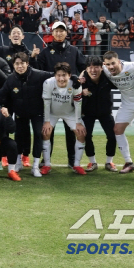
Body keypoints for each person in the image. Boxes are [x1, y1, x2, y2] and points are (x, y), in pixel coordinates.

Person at [35, 21, 85, 167]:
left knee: (71, 132)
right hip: (52, 98)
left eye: (62, 30)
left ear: (66, 33)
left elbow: (84, 68)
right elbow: (38, 72)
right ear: (52, 32)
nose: (59, 33)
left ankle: (72, 159)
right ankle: (46, 160)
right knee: (48, 130)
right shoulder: (45, 52)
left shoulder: (74, 50)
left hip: (69, 98)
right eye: (56, 30)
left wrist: (78, 79)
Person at [0, 52, 51, 171]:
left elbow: (55, 75)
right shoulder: (10, 79)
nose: (20, 66)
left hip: (37, 112)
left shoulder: (39, 74)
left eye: (22, 63)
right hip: (20, 113)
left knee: (38, 134)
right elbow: (0, 95)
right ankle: (18, 162)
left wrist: (73, 77)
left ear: (27, 63)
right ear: (13, 65)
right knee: (19, 136)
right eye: (17, 64)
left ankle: (35, 165)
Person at [41, 62, 87, 176]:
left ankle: (76, 164)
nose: (61, 78)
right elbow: (46, 103)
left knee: (81, 133)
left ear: (69, 75)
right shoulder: (48, 83)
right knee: (45, 132)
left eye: (64, 75)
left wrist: (78, 122)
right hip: (52, 113)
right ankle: (47, 164)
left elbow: (78, 104)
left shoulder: (75, 84)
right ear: (55, 75)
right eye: (59, 75)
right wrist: (47, 121)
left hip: (69, 113)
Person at [79, 56, 117, 172]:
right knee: (86, 136)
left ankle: (109, 161)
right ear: (86, 69)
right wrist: (80, 91)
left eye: (96, 67)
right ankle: (92, 162)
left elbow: (119, 73)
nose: (93, 70)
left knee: (112, 135)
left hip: (105, 112)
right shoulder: (81, 80)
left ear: (102, 67)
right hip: (87, 112)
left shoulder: (108, 76)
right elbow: (70, 90)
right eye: (90, 67)